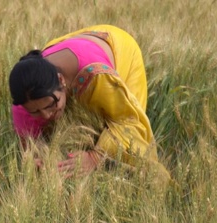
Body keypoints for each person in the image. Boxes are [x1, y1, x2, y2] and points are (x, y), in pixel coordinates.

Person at [9, 24, 170, 181]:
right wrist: (35, 160)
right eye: (35, 112)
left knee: (129, 140)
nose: (46, 115)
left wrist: (95, 157)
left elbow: (129, 121)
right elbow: (29, 151)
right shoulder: (25, 100)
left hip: (119, 47)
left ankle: (151, 182)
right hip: (76, 45)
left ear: (61, 80)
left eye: (51, 105)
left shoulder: (99, 75)